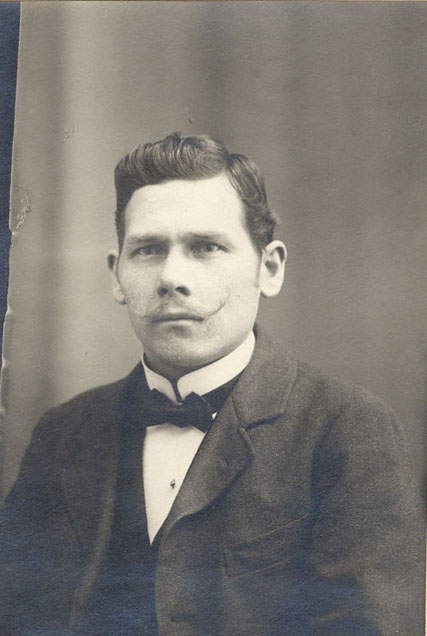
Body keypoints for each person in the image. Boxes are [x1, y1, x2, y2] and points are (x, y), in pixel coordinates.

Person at [0, 133, 423, 636]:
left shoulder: (348, 429)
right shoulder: (64, 433)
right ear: (117, 276)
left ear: (269, 268)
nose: (171, 277)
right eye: (148, 249)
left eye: (206, 247)